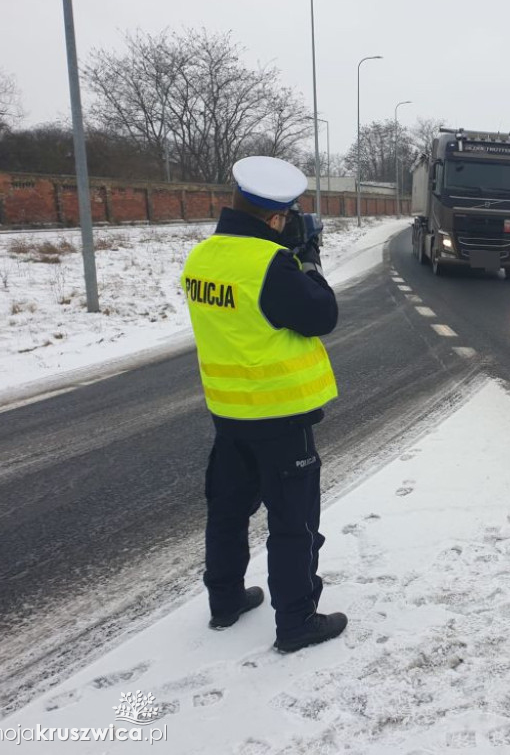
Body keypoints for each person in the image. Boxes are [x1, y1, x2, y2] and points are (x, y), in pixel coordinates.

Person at [181, 155, 347, 653]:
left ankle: (225, 601)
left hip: (228, 414)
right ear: (276, 218)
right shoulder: (271, 266)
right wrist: (308, 262)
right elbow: (322, 314)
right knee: (293, 524)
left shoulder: (201, 258)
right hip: (280, 417)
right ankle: (297, 622)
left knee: (228, 510)